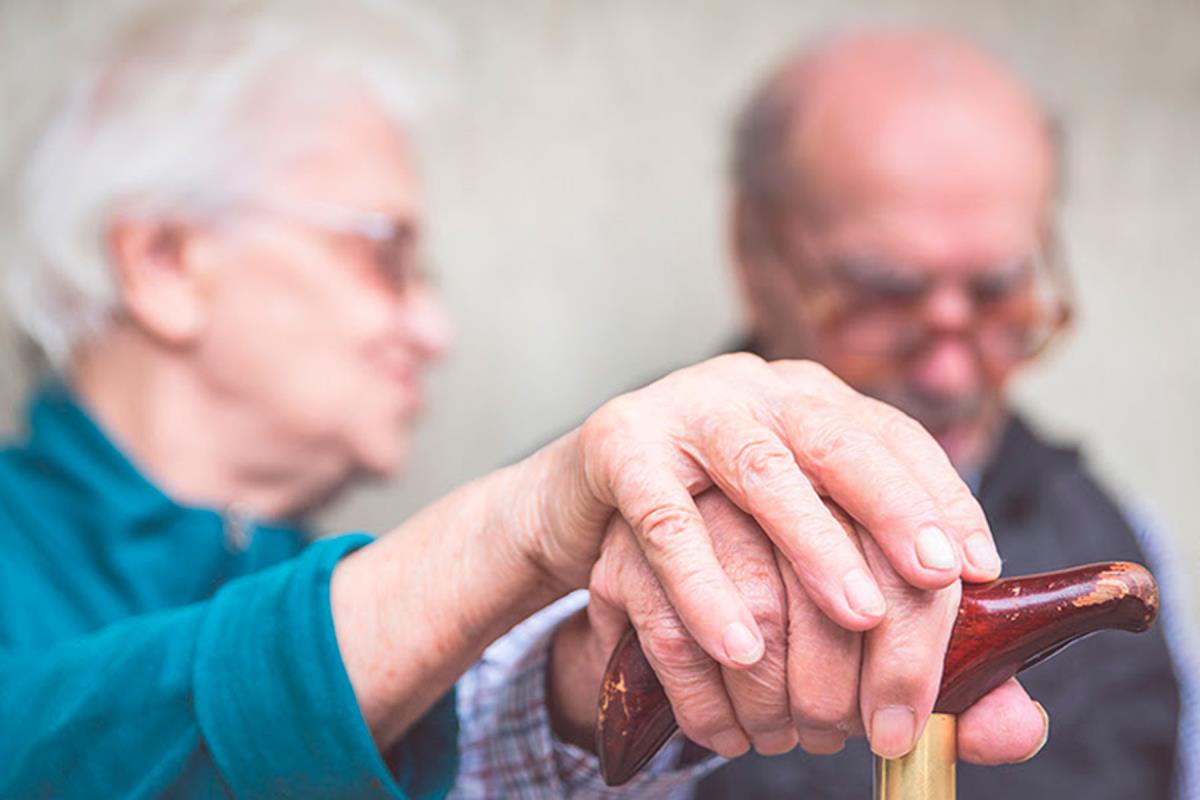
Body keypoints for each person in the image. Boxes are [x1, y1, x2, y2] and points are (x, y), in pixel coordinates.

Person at [0, 5, 1048, 799]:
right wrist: (514, 523)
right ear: (165, 260)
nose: (433, 330)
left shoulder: (297, 574)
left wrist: (610, 667)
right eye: (386, 257)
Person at [693, 28, 1196, 800]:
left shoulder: (1122, 534)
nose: (950, 369)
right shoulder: (612, 550)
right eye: (885, 295)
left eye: (997, 293)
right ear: (753, 255)